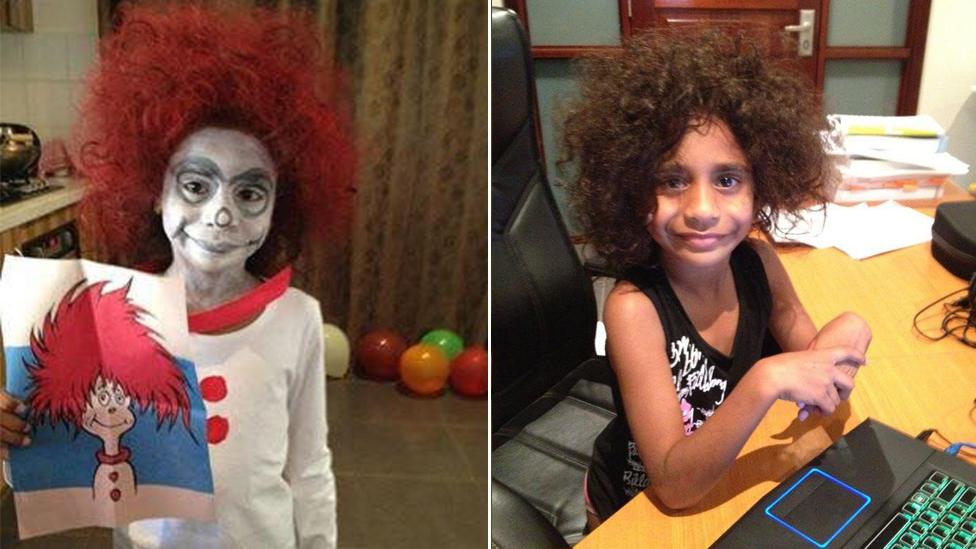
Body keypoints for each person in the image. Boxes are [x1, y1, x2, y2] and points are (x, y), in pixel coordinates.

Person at [0, 3, 355, 548]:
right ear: (154, 191)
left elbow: (310, 467)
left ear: (280, 206)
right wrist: (13, 440)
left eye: (250, 192)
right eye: (195, 185)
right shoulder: (108, 321)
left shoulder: (297, 319)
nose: (220, 214)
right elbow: (60, 460)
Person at [561, 29, 872, 526]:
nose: (701, 210)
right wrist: (766, 378)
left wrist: (849, 330)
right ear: (630, 187)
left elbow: (812, 358)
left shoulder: (759, 265)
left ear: (760, 186)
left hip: (728, 478)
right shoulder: (634, 308)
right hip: (639, 508)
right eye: (671, 181)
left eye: (727, 180)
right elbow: (673, 484)